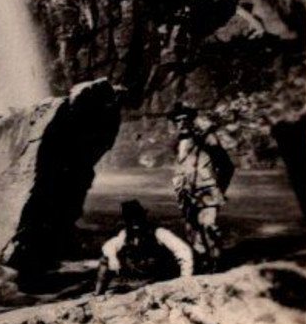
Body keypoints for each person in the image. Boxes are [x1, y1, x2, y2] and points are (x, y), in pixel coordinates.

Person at [169, 102, 236, 273]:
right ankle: (204, 264)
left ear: (192, 120)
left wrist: (219, 188)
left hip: (206, 191)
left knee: (209, 226)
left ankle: (217, 265)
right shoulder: (177, 143)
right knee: (192, 232)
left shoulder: (207, 139)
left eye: (185, 119)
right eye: (178, 121)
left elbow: (227, 166)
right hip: (186, 193)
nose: (182, 123)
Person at [94, 200, 196, 295]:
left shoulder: (159, 233)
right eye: (130, 219)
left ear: (143, 217)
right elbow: (109, 246)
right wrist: (113, 258)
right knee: (105, 259)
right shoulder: (125, 235)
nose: (135, 223)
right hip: (138, 278)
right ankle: (98, 295)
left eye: (137, 218)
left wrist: (185, 279)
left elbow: (184, 251)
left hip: (159, 279)